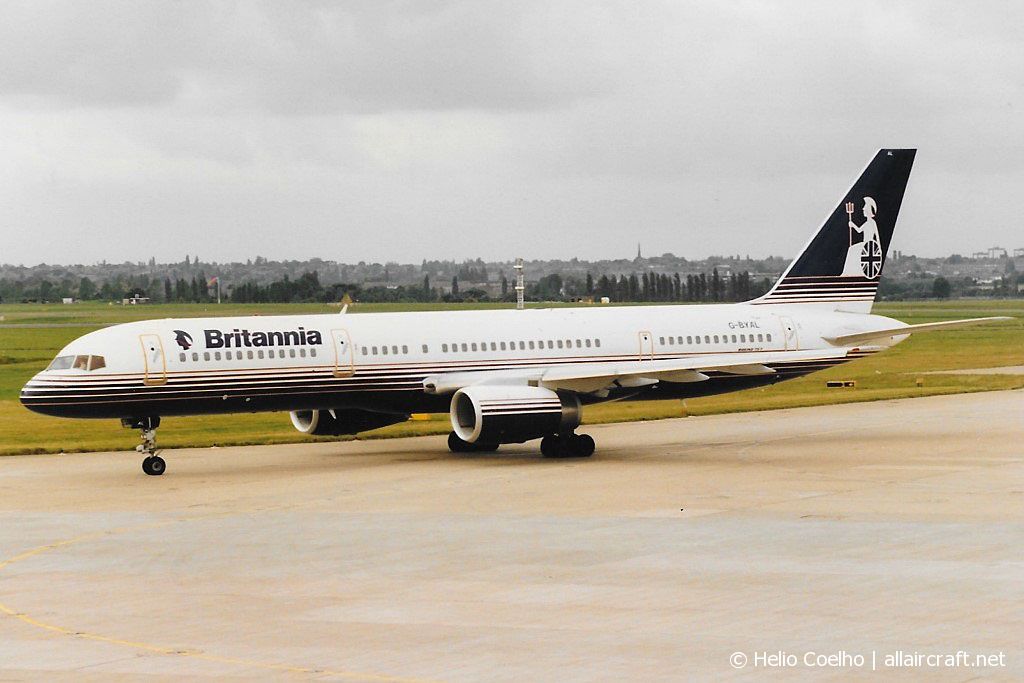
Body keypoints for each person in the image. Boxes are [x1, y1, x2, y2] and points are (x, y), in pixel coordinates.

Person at [842, 196, 879, 277]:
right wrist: (852, 225)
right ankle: (850, 272)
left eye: (864, 208)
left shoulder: (872, 223)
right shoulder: (866, 223)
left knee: (852, 249)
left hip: (868, 245)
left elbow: (877, 235)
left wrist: (878, 248)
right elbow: (859, 230)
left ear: (869, 210)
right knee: (851, 249)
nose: (863, 209)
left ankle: (849, 272)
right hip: (865, 244)